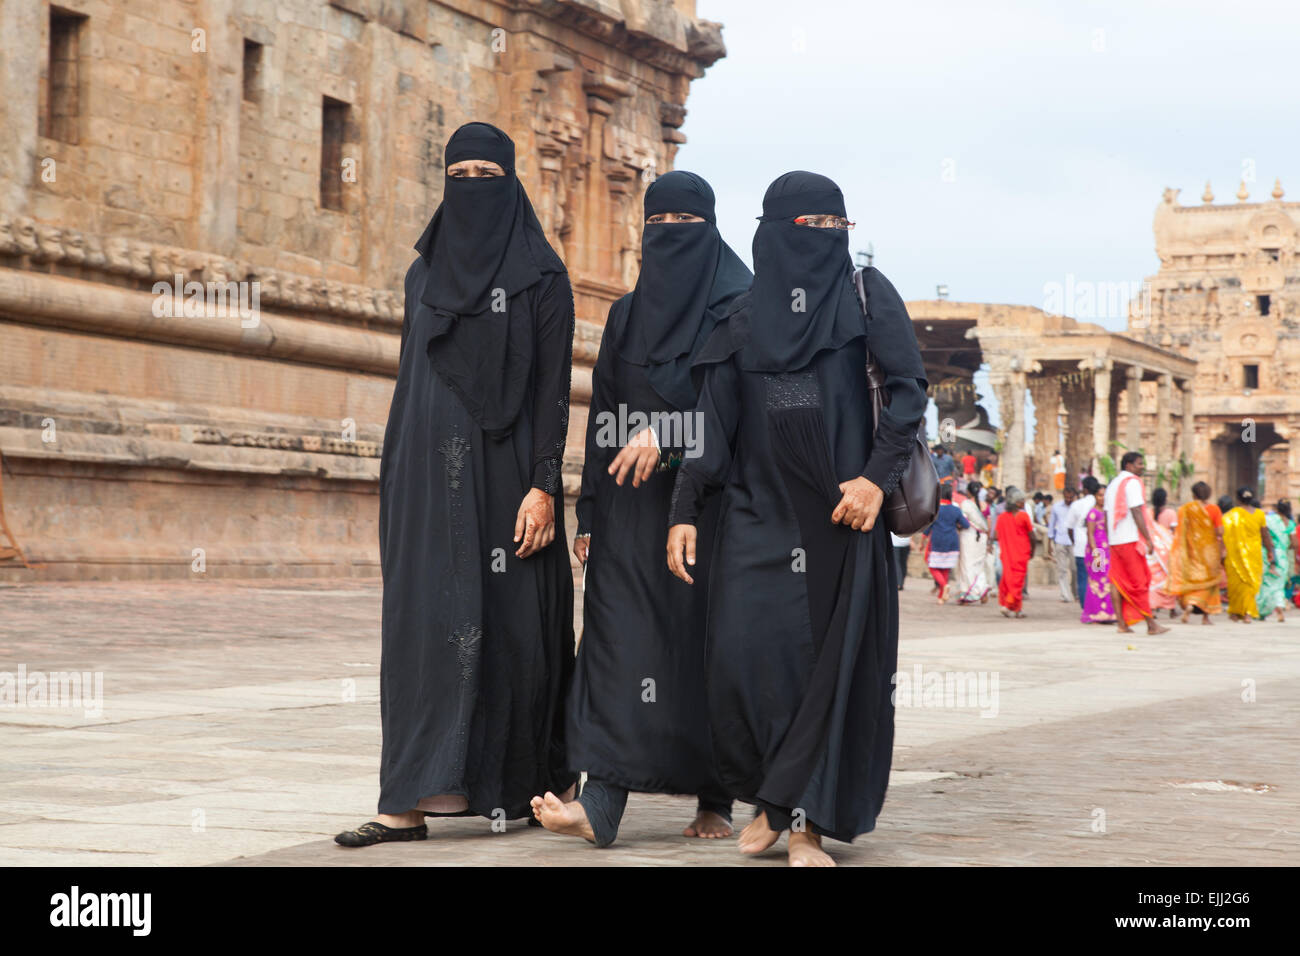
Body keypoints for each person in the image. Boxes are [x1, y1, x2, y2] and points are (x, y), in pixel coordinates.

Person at [665, 171, 927, 866]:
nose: (823, 238)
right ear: (773, 232)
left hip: (842, 518)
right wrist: (684, 509)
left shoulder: (867, 299)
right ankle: (768, 796)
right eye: (806, 226)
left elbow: (907, 394)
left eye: (833, 226)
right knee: (745, 660)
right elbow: (710, 430)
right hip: (754, 516)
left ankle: (803, 820)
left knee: (827, 672)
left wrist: (875, 481)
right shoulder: (740, 319)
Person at [337, 123, 577, 847]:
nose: (472, 183)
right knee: (420, 628)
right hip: (420, 476)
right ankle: (404, 802)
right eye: (459, 171)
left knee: (510, 630)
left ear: (512, 180)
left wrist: (543, 486)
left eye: (487, 171)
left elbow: (551, 392)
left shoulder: (543, 278)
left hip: (506, 476)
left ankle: (525, 783)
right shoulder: (423, 275)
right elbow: (414, 381)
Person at [534, 171, 750, 848]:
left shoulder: (739, 308)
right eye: (659, 224)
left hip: (705, 515)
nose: (671, 237)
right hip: (627, 515)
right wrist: (589, 513)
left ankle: (716, 797)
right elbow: (603, 415)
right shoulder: (627, 316)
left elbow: (741, 418)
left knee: (699, 651)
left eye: (687, 225)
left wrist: (675, 436)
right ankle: (602, 802)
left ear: (711, 230)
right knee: (616, 648)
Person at [1103, 451, 1170, 635]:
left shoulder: (1113, 484)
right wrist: (1147, 538)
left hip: (1115, 540)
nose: (1143, 467)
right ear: (1129, 465)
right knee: (1139, 581)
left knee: (1117, 581)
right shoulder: (1131, 482)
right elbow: (1137, 511)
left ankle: (1122, 624)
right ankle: (1151, 625)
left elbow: (1107, 514)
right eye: (1140, 463)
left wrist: (1110, 539)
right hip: (1130, 539)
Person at [1167, 480, 1225, 624]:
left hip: (1191, 552)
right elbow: (1220, 531)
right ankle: (1206, 617)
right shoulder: (1214, 509)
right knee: (1209, 583)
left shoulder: (1185, 509)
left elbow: (1180, 532)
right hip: (1209, 552)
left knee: (1192, 579)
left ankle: (1191, 604)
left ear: (1193, 494)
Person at [1222, 486, 1274, 622]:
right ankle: (1247, 614)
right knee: (1250, 584)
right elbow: (1265, 535)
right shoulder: (1260, 514)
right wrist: (1270, 551)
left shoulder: (1230, 515)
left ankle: (1235, 612)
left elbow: (1224, 534)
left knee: (1236, 584)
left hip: (1236, 554)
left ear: (1238, 498)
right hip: (1254, 554)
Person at [995, 486, 1035, 617]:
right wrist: (1032, 550)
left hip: (1007, 553)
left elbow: (996, 535)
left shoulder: (1001, 518)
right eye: (1023, 500)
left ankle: (1017, 609)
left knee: (1009, 580)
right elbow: (1032, 536)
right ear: (1018, 503)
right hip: (1021, 553)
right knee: (1017, 582)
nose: (1024, 503)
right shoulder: (1023, 516)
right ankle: (1008, 604)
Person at [1080, 477, 1116, 622]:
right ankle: (1094, 612)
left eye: (1104, 496)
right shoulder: (1093, 513)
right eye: (1100, 495)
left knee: (1107, 579)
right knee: (1097, 579)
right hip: (1098, 552)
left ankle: (1107, 612)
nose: (1102, 498)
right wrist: (1096, 554)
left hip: (1107, 551)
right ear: (1095, 496)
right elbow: (1090, 534)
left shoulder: (1107, 512)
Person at [925, 484, 969, 604]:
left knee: (933, 566)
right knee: (945, 569)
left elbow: (928, 528)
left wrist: (923, 540)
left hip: (938, 540)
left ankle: (944, 586)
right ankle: (941, 597)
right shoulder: (956, 510)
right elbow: (966, 525)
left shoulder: (936, 509)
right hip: (952, 541)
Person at [1255, 500, 1293, 622]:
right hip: (1283, 557)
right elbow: (1295, 543)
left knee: (1266, 584)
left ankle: (1261, 611)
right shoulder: (1290, 524)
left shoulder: (1269, 519)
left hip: (1269, 554)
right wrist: (1284, 544)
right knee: (1278, 585)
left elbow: (1264, 533)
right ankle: (1280, 608)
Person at [955, 479, 991, 604]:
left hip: (969, 536)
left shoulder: (966, 504)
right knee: (979, 565)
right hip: (982, 536)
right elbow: (988, 523)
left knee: (967, 564)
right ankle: (982, 589)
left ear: (968, 491)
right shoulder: (985, 505)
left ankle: (969, 592)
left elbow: (963, 523)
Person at [1146, 486, 1179, 618]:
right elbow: (1174, 532)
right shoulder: (1170, 513)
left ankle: (1152, 607)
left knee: (1154, 579)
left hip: (1153, 551)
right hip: (1165, 550)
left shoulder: (1148, 512)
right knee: (1167, 578)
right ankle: (1170, 608)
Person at [1066, 477, 1098, 606]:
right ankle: (1097, 605)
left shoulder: (1077, 505)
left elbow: (1069, 527)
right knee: (1098, 576)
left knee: (1083, 577)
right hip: (1098, 548)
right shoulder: (1102, 504)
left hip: (1080, 548)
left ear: (1084, 489)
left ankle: (1086, 607)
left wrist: (1075, 541)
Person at [1046, 487, 1076, 602]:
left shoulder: (1076, 507)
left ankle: (1075, 592)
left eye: (1070, 497)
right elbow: (1052, 524)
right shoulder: (1057, 507)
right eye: (1066, 497)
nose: (1068, 499)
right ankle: (1064, 594)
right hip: (1060, 540)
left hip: (1074, 541)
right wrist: (1049, 542)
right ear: (1063, 495)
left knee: (1074, 568)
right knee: (1062, 569)